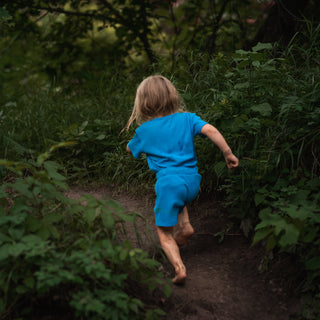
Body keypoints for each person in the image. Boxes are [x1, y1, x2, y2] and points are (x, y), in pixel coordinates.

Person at [124, 75, 239, 285]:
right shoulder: (187, 119)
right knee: (179, 197)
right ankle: (185, 226)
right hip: (193, 182)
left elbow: (130, 149)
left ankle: (179, 268)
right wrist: (227, 153)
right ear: (172, 96)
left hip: (169, 184)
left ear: (143, 102)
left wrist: (135, 144)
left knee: (164, 233)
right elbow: (210, 130)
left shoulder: (143, 131)